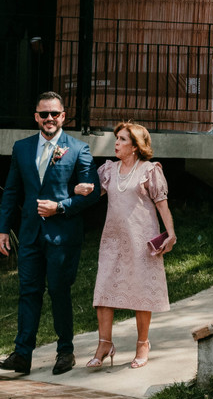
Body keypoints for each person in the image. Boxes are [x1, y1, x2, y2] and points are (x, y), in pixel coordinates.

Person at [0, 91, 100, 376]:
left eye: (54, 114)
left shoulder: (79, 149)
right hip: (29, 235)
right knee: (28, 292)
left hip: (62, 236)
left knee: (59, 291)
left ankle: (65, 351)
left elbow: (93, 193)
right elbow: (12, 191)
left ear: (63, 116)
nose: (49, 119)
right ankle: (22, 355)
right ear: (36, 117)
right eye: (44, 114)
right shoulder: (22, 148)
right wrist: (4, 228)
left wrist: (61, 207)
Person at [74, 122, 175, 370]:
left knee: (141, 294)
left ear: (135, 147)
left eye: (121, 140)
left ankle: (142, 344)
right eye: (116, 139)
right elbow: (92, 193)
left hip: (141, 240)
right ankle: (104, 344)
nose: (116, 143)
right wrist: (81, 189)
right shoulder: (109, 170)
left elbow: (162, 204)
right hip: (113, 240)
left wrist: (170, 234)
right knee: (104, 291)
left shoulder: (149, 171)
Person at [21, 0, 59, 100]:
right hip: (43, 35)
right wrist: (35, 36)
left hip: (58, 35)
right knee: (41, 76)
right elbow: (30, 8)